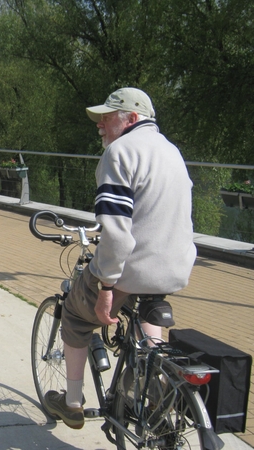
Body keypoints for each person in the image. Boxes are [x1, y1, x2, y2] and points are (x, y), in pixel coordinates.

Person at [43, 88, 196, 430]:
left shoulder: (120, 152)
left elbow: (115, 232)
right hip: (175, 268)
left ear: (131, 118)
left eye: (107, 117)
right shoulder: (172, 152)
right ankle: (151, 380)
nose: (100, 124)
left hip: (133, 269)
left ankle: (71, 403)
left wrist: (107, 285)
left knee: (76, 315)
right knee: (147, 313)